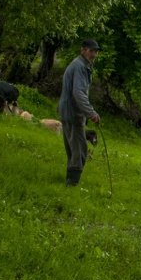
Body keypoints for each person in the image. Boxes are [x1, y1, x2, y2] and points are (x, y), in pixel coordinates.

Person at [58, 38, 102, 186]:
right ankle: (71, 185)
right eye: (91, 51)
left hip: (67, 112)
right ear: (83, 50)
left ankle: (69, 182)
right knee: (79, 152)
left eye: (96, 51)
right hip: (73, 113)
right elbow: (78, 93)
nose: (94, 54)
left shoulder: (80, 65)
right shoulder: (80, 67)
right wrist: (91, 113)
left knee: (73, 150)